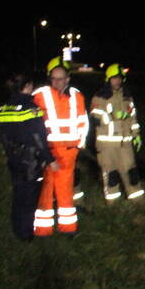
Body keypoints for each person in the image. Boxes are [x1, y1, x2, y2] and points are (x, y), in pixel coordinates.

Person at [31, 57, 90, 236]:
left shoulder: (77, 96)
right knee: (46, 188)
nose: (56, 82)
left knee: (65, 188)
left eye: (60, 78)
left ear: (67, 79)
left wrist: (79, 144)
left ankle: (68, 228)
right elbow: (32, 121)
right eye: (53, 78)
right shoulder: (40, 95)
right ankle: (42, 229)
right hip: (48, 150)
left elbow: (83, 121)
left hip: (69, 151)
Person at [0, 73, 57, 241]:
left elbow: (4, 137)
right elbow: (39, 138)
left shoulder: (3, 109)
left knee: (18, 195)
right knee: (29, 199)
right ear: (28, 87)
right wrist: (50, 159)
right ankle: (26, 234)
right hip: (31, 161)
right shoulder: (32, 109)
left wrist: (10, 154)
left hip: (13, 158)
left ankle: (17, 229)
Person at [89, 63, 145, 203]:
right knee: (110, 173)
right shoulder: (100, 97)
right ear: (108, 79)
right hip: (106, 144)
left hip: (125, 143)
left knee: (130, 171)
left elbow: (133, 118)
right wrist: (113, 115)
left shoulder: (127, 97)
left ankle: (137, 201)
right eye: (114, 78)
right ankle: (112, 203)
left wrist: (136, 135)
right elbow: (95, 117)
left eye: (120, 78)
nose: (117, 81)